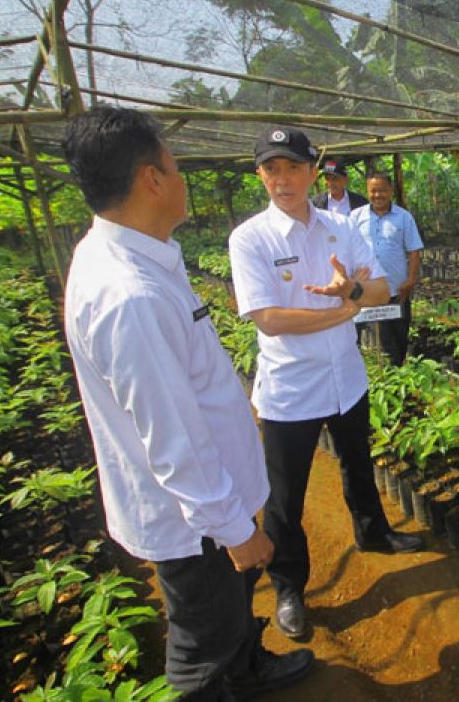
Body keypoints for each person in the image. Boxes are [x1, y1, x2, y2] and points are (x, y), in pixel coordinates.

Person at [61, 107, 313, 700]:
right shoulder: (129, 296)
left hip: (213, 502)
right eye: (175, 168)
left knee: (230, 610)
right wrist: (233, 528)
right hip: (194, 520)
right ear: (151, 180)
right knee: (200, 646)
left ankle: (249, 667)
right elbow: (172, 438)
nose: (182, 180)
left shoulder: (139, 258)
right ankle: (220, 681)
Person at [228, 126, 424, 645]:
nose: (283, 179)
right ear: (260, 176)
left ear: (314, 172)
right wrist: (344, 312)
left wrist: (354, 290)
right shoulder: (251, 239)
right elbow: (269, 318)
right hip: (289, 391)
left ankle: (374, 533)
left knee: (359, 462)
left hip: (347, 380)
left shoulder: (340, 227)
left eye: (293, 167)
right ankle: (290, 586)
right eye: (272, 168)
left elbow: (382, 285)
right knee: (285, 496)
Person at [350, 171, 424, 366]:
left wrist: (410, 281)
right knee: (354, 337)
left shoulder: (403, 218)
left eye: (382, 190)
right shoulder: (355, 217)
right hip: (364, 290)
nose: (377, 195)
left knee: (397, 337)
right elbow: (346, 249)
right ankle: (361, 373)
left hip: (395, 289)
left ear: (390, 190)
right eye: (373, 191)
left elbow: (415, 251)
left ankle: (397, 372)